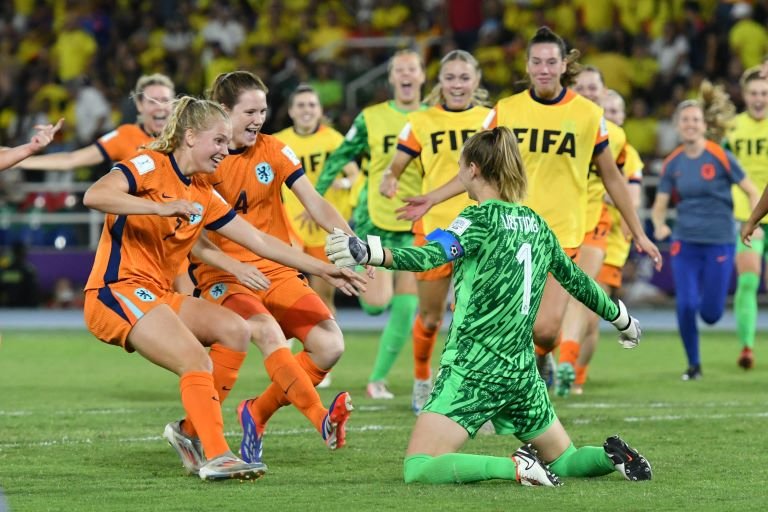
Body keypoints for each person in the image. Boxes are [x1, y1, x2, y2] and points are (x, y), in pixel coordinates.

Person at [326, 127, 651, 486]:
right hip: (522, 372)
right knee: (566, 459)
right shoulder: (536, 224)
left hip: (474, 367)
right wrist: (622, 319)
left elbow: (431, 256)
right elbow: (578, 282)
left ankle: (515, 467)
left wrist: (372, 252)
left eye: (461, 165)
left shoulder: (476, 219)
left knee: (417, 467)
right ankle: (610, 457)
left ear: (474, 169)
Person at [82, 96, 364, 480]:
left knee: (235, 330)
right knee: (194, 360)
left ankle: (189, 433)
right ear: (190, 136)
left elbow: (259, 241)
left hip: (156, 292)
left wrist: (324, 268)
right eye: (217, 141)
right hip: (116, 290)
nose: (224, 150)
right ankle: (217, 455)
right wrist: (161, 208)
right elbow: (94, 195)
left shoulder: (203, 192)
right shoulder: (148, 164)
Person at [396, 27, 661, 384]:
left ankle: (536, 361)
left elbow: (613, 177)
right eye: (536, 61)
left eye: (551, 61)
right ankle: (485, 387)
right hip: (511, 232)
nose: (544, 68)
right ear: (528, 65)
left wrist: (639, 232)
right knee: (495, 320)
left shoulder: (587, 115)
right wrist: (432, 198)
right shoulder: (507, 110)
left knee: (547, 332)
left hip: (561, 236)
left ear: (564, 64)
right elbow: (477, 167)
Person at [189, 71, 357, 464]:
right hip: (224, 274)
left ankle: (256, 413)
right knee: (263, 331)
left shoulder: (275, 150)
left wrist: (353, 247)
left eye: (263, 110)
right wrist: (230, 263)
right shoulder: (200, 162)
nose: (258, 119)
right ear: (223, 112)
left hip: (276, 267)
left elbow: (315, 203)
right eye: (249, 111)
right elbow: (194, 239)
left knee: (330, 345)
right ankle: (320, 419)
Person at [378, 49, 491, 413]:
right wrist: (389, 178)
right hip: (435, 231)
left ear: (476, 81)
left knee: (471, 315)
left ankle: (472, 391)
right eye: (450, 77)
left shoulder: (490, 120)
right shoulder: (422, 121)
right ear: (439, 82)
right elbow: (396, 165)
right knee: (430, 316)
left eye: (464, 77)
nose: (457, 85)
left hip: (480, 230)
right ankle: (423, 380)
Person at [315, 49, 426, 400]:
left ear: (422, 76)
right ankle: (353, 263)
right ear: (392, 78)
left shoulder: (434, 119)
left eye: (413, 69)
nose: (407, 75)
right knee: (376, 304)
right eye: (400, 70)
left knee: (408, 305)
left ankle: (377, 379)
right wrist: (315, 197)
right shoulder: (371, 117)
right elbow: (340, 156)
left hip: (418, 220)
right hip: (375, 218)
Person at [651, 84, 760, 380]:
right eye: (684, 120)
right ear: (677, 125)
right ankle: (694, 365)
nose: (690, 124)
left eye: (695, 119)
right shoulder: (672, 163)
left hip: (720, 242)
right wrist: (660, 224)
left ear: (704, 124)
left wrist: (753, 222)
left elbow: (751, 190)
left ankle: (707, 315)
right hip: (684, 243)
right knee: (685, 305)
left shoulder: (720, 156)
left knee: (711, 314)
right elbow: (659, 205)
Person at [555, 66, 630, 397]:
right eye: (581, 87)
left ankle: (569, 364)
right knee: (548, 304)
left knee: (583, 293)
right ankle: (548, 359)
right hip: (556, 222)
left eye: (593, 88)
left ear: (602, 92)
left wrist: (633, 224)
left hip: (594, 224)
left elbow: (622, 182)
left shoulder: (615, 136)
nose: (588, 93)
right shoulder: (558, 124)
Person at [572, 89, 644, 395]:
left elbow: (632, 196)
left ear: (624, 117)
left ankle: (576, 376)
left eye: (617, 111)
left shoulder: (627, 153)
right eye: (607, 110)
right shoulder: (587, 141)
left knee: (589, 312)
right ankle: (561, 364)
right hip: (577, 230)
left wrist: (611, 199)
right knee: (568, 308)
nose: (612, 116)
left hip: (610, 240)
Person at [273, 83, 359, 314]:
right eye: (300, 105)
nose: (306, 110)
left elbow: (355, 174)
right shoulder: (277, 142)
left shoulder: (333, 140)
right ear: (291, 111)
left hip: (325, 229)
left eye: (311, 105)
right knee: (287, 292)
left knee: (323, 298)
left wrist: (344, 183)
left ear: (320, 110)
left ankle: (328, 345)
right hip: (290, 226)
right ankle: (287, 346)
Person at [16, 74, 174, 172]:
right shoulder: (125, 136)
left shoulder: (187, 139)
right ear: (140, 105)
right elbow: (71, 160)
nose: (159, 107)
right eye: (152, 101)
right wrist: (18, 160)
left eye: (165, 100)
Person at [723, 67, 768, 369]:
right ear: (744, 94)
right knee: (749, 281)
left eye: (764, 93)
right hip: (745, 215)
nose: (759, 98)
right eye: (753, 93)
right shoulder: (731, 128)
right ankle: (747, 347)